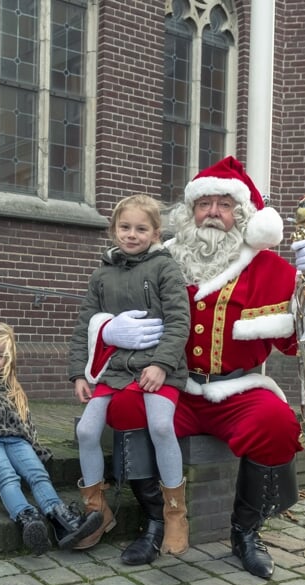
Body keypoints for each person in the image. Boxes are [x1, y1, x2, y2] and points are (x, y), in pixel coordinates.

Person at [83, 156, 305, 579]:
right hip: (172, 385)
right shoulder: (159, 261)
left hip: (238, 391)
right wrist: (111, 331)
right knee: (124, 409)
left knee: (278, 423)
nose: (213, 213)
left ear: (241, 215)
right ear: (190, 212)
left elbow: (301, 338)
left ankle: (246, 533)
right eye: (204, 204)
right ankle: (157, 521)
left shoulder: (269, 269)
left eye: (224, 205)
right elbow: (105, 307)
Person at [68, 193, 191, 562]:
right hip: (113, 369)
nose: (131, 234)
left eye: (141, 228)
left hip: (158, 369)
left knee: (161, 427)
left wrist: (162, 365)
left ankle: (174, 513)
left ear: (156, 232)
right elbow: (84, 327)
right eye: (125, 227)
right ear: (113, 229)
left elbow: (179, 322)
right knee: (86, 431)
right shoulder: (101, 274)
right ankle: (96, 509)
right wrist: (79, 373)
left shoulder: (166, 269)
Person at [0, 322, 103, 555]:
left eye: (0, 355)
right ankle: (27, 518)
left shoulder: (11, 387)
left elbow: (26, 420)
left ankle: (62, 521)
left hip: (16, 440)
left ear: (8, 361)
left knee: (37, 473)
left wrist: (34, 444)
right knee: (7, 475)